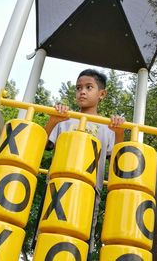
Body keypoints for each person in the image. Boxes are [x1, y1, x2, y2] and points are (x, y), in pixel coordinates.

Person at [43, 69, 125, 256]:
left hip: (89, 190)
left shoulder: (108, 126)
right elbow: (42, 145)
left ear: (101, 94)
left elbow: (116, 161)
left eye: (89, 87)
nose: (82, 91)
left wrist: (119, 133)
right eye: (79, 88)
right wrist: (53, 121)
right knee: (50, 231)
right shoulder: (65, 119)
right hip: (58, 187)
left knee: (81, 237)